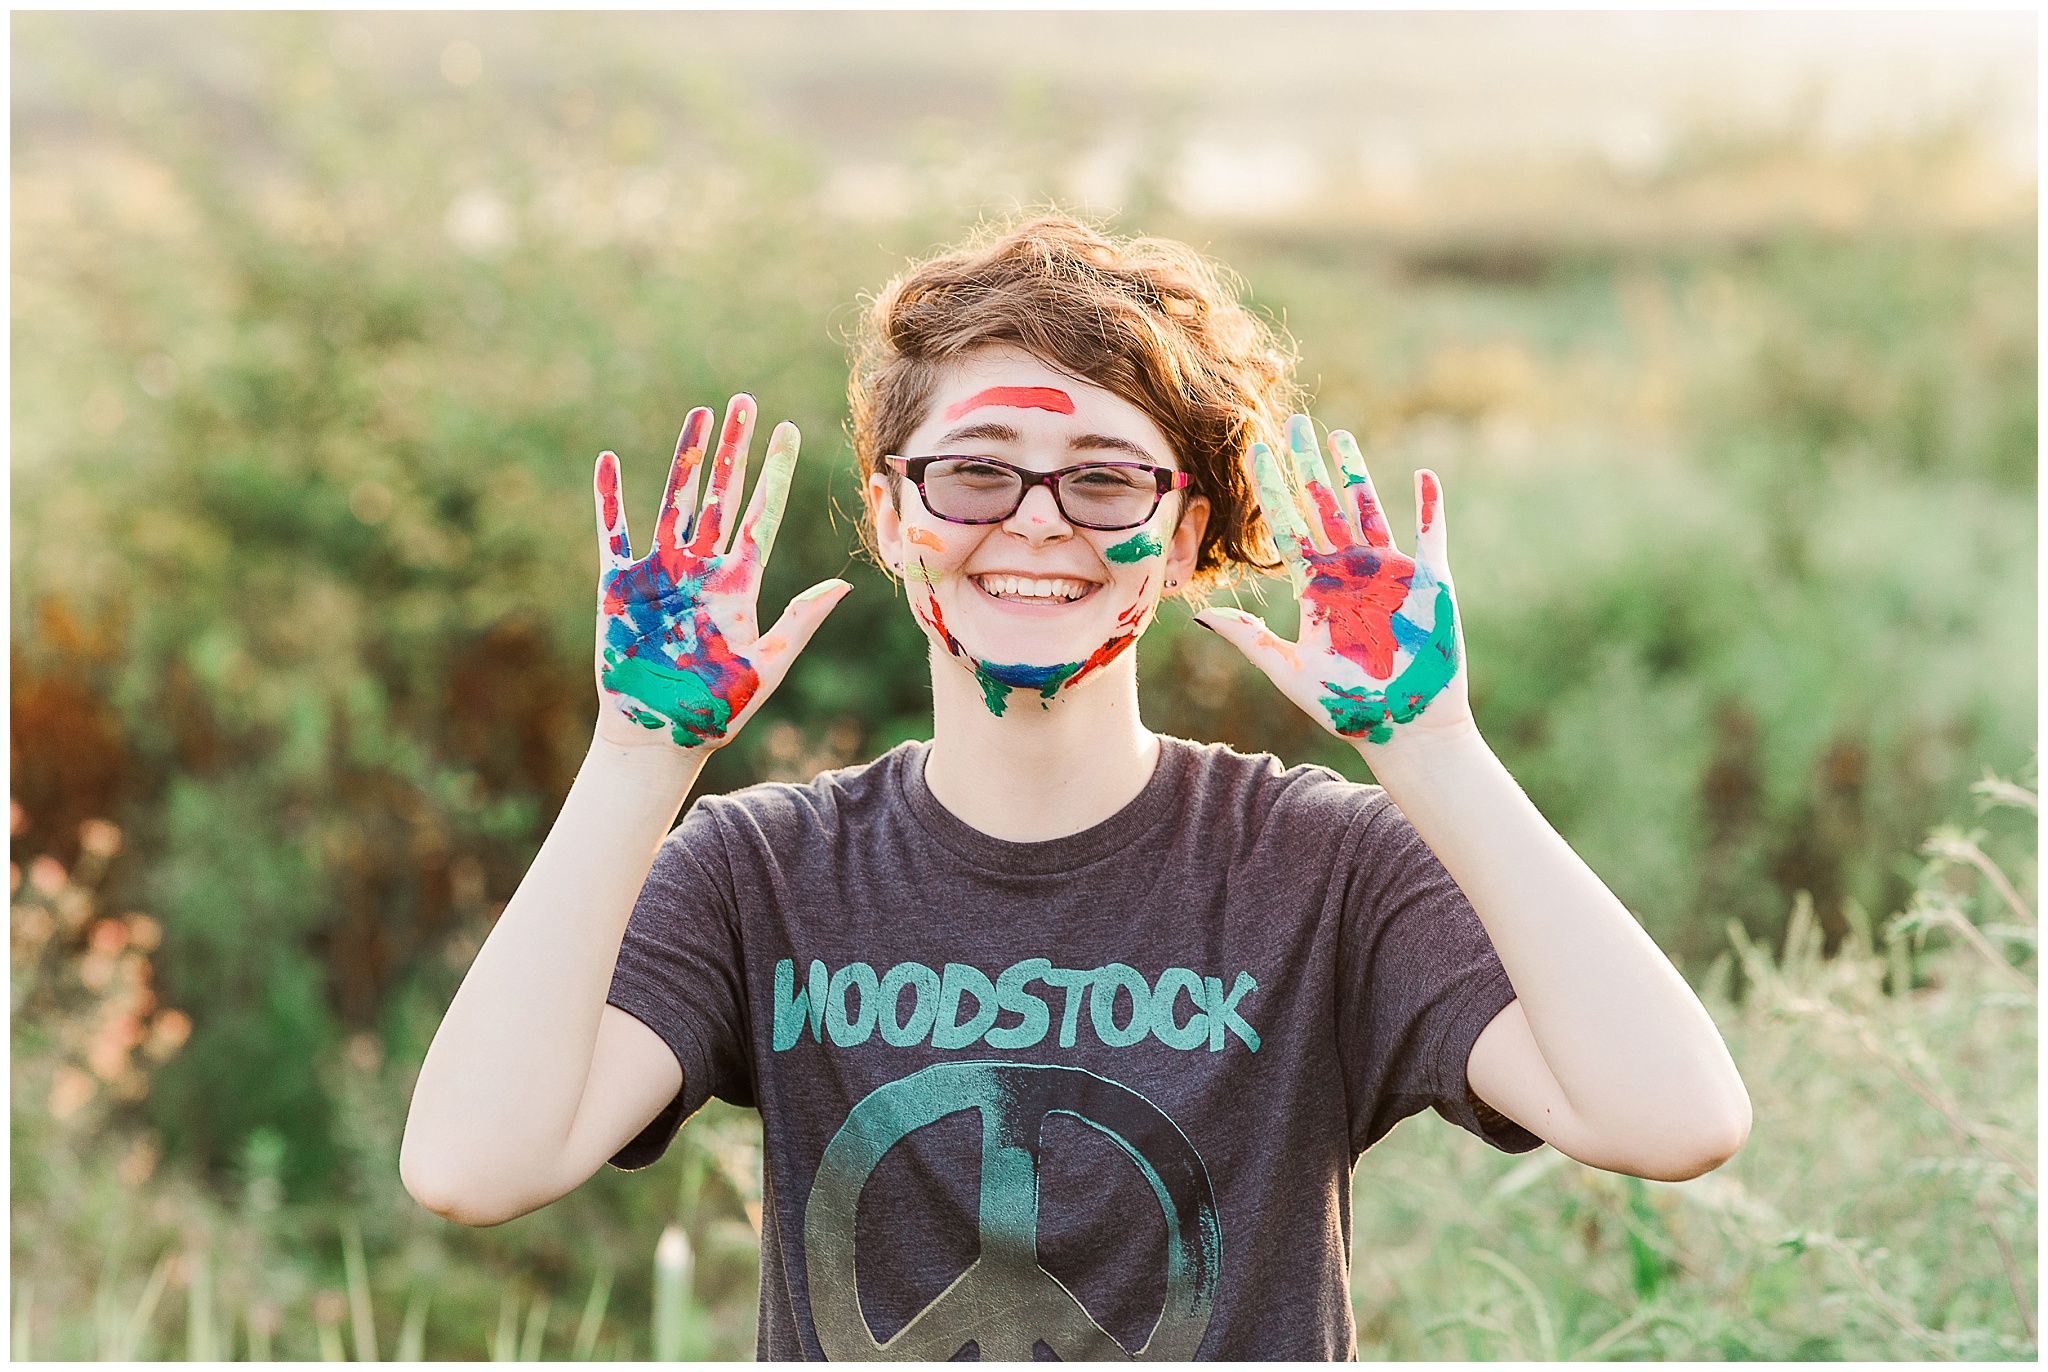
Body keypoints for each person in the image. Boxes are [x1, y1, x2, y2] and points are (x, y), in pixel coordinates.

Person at [400, 215, 1750, 1359]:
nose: (1037, 522)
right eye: (975, 472)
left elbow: (1675, 1120)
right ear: (890, 517)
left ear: (1184, 539)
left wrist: (1433, 749)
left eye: (1105, 481)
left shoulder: (1323, 871)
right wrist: (641, 759)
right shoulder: (763, 874)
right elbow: (473, 1167)